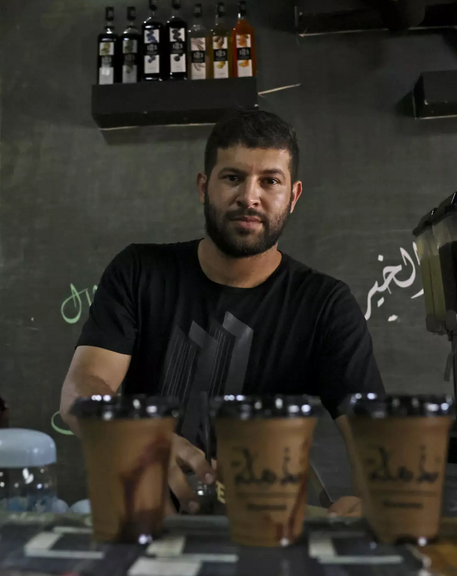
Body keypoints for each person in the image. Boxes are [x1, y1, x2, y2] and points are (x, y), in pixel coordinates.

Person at [59, 110, 384, 517]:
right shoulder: (139, 272)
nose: (250, 196)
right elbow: (81, 389)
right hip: (146, 517)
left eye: (270, 181)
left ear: (293, 196)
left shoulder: (325, 304)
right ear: (203, 186)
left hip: (267, 530)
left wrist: (373, 499)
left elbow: (375, 437)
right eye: (233, 177)